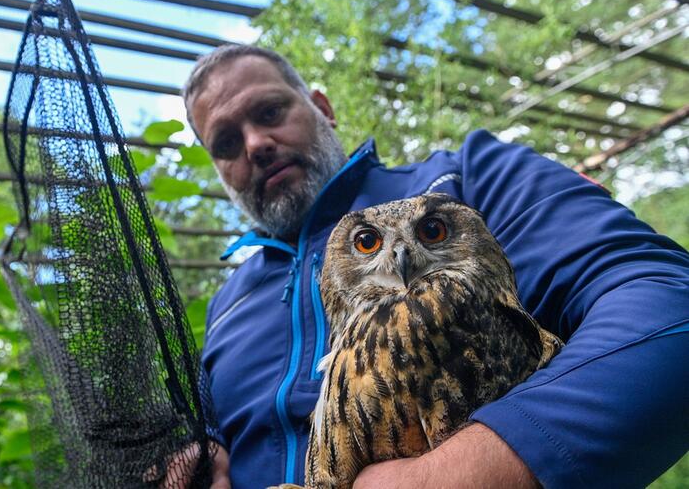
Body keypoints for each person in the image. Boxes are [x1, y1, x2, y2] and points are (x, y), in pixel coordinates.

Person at [175, 44, 689, 489]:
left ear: (322, 108)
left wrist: (489, 466)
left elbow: (668, 299)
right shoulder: (228, 304)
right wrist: (205, 454)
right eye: (225, 143)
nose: (256, 145)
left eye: (269, 112)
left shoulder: (469, 180)